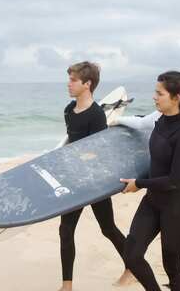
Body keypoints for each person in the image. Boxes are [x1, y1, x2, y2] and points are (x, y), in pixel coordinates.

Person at [119, 71, 180, 291]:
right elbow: (156, 164)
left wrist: (140, 183)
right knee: (132, 255)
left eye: (159, 93)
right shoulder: (160, 121)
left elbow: (175, 179)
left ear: (176, 98)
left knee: (172, 265)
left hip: (177, 206)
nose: (154, 97)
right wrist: (139, 180)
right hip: (153, 201)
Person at [58, 61, 134, 291]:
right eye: (69, 79)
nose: (68, 83)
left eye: (73, 80)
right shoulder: (69, 110)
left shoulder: (96, 115)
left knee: (108, 228)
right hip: (74, 178)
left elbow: (99, 151)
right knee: (66, 230)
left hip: (94, 181)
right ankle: (67, 285)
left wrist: (81, 158)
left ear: (87, 84)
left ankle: (132, 269)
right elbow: (71, 141)